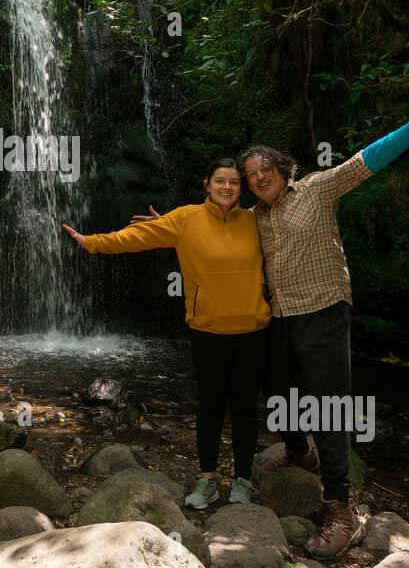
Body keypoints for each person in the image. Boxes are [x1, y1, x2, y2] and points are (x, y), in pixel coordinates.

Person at [134, 81, 409, 558]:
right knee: (274, 392)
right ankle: (297, 451)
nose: (255, 178)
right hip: (281, 319)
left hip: (325, 310)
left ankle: (340, 507)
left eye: (262, 170)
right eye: (248, 174)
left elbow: (367, 159)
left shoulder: (316, 188)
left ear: (283, 169)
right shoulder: (256, 217)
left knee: (328, 405)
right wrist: (168, 225)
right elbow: (211, 225)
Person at [62, 160, 270, 510]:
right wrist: (93, 242)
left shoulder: (256, 221)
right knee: (210, 409)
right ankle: (207, 482)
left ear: (241, 188)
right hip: (208, 330)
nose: (227, 187)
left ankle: (243, 481)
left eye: (234, 182)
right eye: (220, 181)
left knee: (246, 410)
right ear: (207, 184)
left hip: (253, 331)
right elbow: (136, 239)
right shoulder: (185, 218)